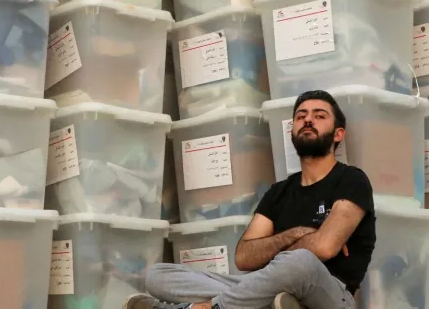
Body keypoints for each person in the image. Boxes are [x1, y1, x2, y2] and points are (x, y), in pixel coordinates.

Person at [126, 90, 376, 309]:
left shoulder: (352, 180)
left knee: (299, 262)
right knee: (158, 275)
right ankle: (268, 304)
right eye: (300, 116)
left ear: (338, 134)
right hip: (264, 285)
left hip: (330, 295)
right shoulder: (279, 192)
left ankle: (208, 308)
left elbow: (324, 247)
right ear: (292, 131)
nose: (308, 119)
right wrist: (297, 234)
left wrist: (277, 253)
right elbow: (244, 257)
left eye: (319, 116)